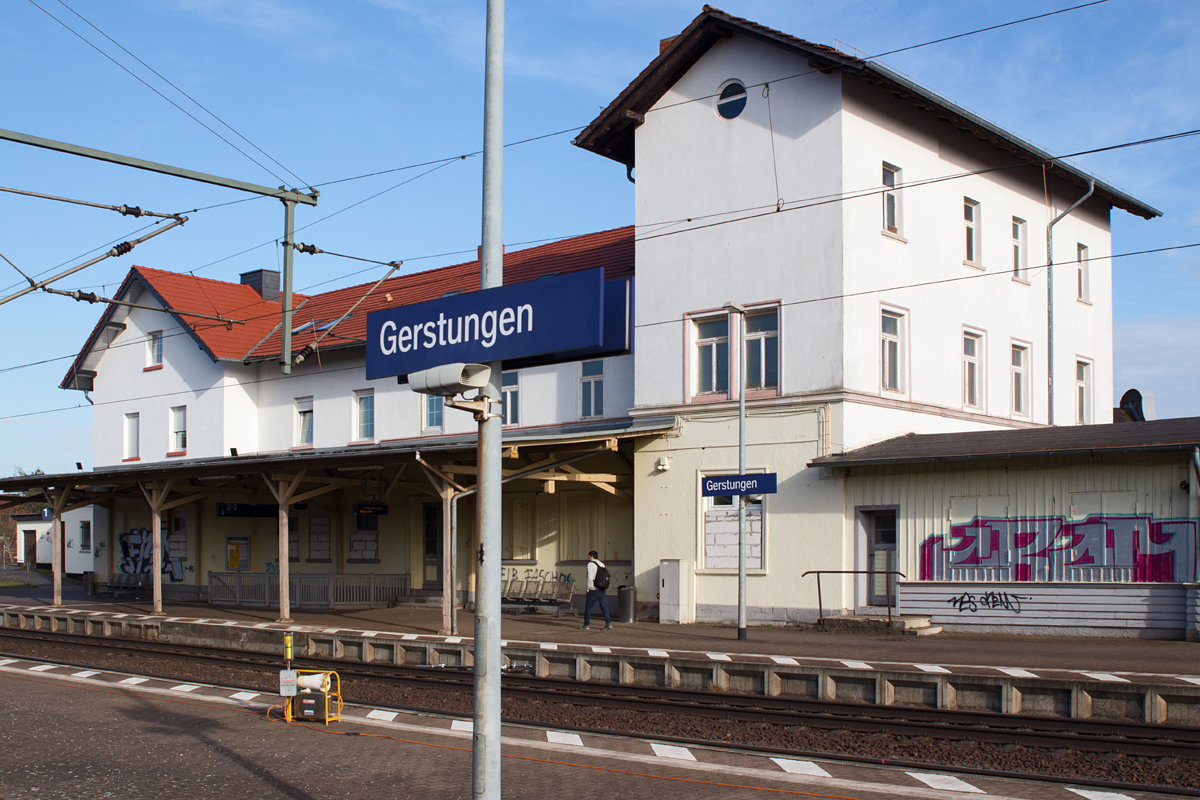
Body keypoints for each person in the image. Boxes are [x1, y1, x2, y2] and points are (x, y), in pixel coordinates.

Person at [580, 550, 612, 630]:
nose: (588, 558)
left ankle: (586, 624)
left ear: (591, 556)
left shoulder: (591, 564)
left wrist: (588, 588)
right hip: (601, 589)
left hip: (593, 589)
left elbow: (590, 578)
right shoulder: (602, 564)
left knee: (588, 607)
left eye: (589, 556)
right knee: (603, 606)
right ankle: (608, 623)